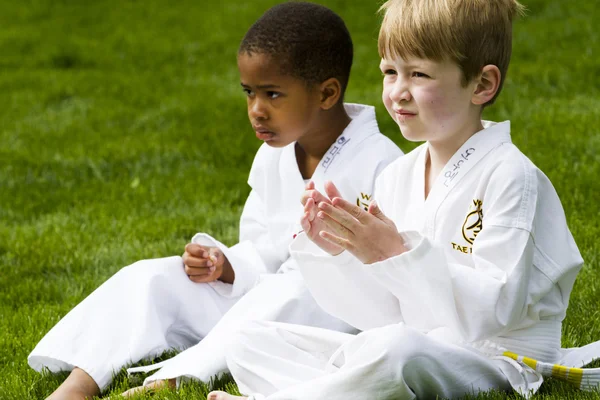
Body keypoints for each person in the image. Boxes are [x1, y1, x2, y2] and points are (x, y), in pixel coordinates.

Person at [208, 0, 600, 399]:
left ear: (481, 85)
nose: (398, 92)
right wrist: (340, 252)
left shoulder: (511, 177)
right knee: (248, 340)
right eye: (390, 72)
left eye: (419, 74)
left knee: (395, 352)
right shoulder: (399, 176)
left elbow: (498, 309)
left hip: (496, 360)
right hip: (414, 345)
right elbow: (381, 314)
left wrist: (396, 252)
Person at [28, 2, 402, 399]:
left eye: (272, 94)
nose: (256, 111)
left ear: (326, 93)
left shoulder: (380, 165)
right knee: (152, 277)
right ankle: (81, 381)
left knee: (286, 294)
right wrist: (226, 266)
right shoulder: (274, 155)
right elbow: (260, 249)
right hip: (258, 295)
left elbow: (376, 280)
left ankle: (172, 378)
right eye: (249, 93)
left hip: (321, 312)